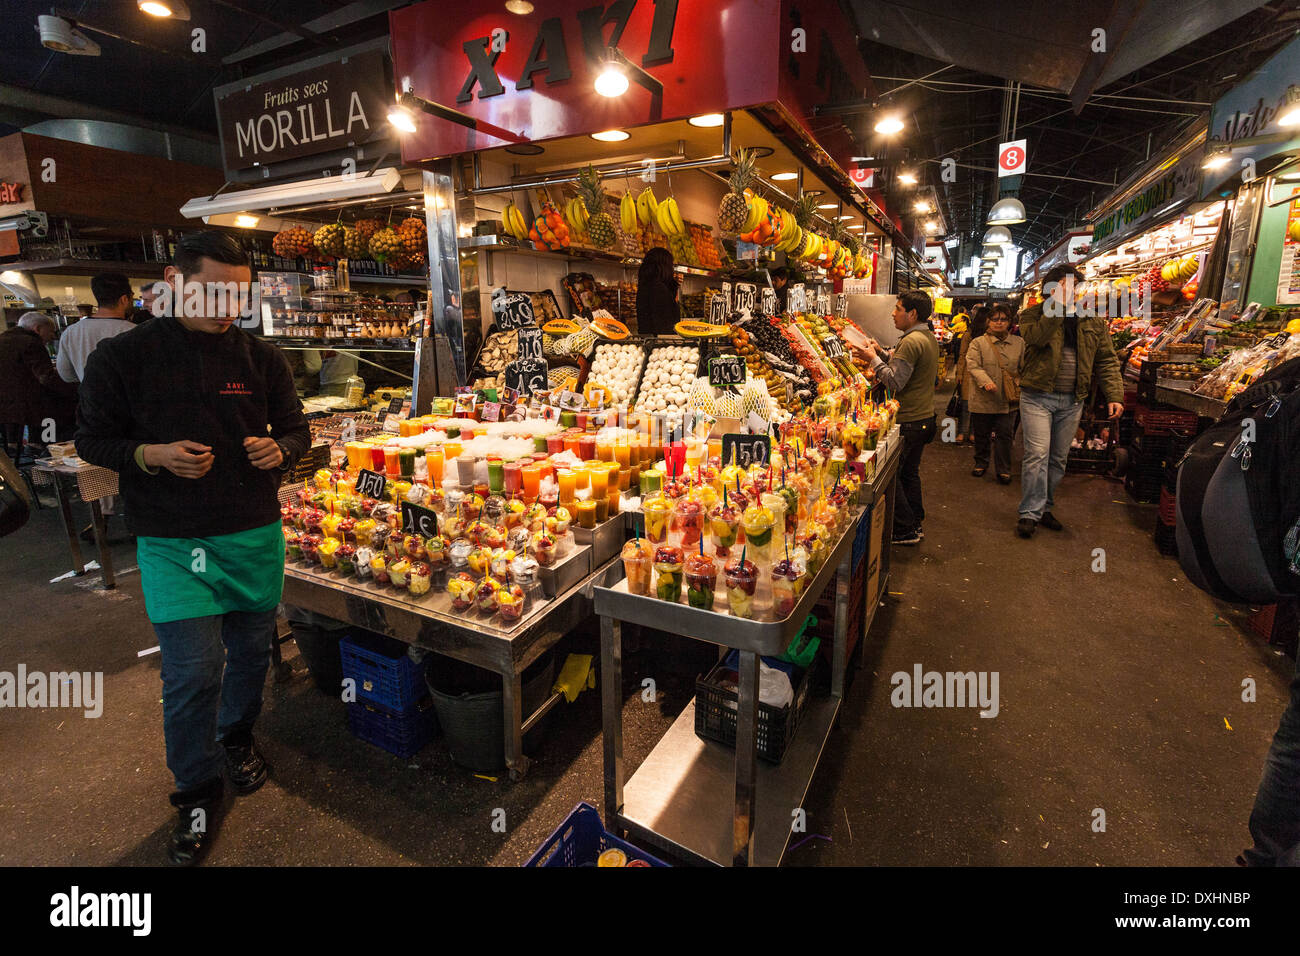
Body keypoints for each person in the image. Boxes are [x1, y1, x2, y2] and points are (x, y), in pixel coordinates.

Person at [75, 231, 310, 865]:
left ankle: (235, 735)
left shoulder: (261, 358)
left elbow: (296, 428)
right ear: (174, 279)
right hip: (173, 540)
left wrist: (281, 449)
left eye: (237, 293)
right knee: (192, 670)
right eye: (212, 290)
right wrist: (150, 455)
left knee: (251, 654)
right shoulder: (122, 359)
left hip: (253, 534)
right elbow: (93, 442)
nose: (226, 305)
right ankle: (197, 791)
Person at [1015, 264, 1123, 538]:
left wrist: (1114, 395)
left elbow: (1106, 359)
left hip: (1073, 400)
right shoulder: (1032, 314)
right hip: (1037, 397)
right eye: (1063, 286)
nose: (1070, 291)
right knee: (1036, 455)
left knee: (1058, 459)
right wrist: (1057, 307)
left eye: (1073, 286)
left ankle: (1044, 507)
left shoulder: (1092, 320)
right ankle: (1029, 512)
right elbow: (1036, 338)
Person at [848, 290, 939, 545]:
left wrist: (873, 359)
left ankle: (904, 529)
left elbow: (895, 380)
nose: (893, 313)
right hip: (923, 416)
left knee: (896, 475)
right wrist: (885, 355)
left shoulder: (911, 341)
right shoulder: (926, 336)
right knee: (910, 473)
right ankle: (915, 522)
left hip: (909, 419)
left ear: (912, 313)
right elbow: (906, 368)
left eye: (898, 308)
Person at [0, 312, 77, 455]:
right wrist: (75, 389)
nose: (52, 336)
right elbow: (46, 377)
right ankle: (45, 445)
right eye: (51, 331)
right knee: (59, 402)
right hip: (24, 407)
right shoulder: (31, 343)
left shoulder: (4, 339)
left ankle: (13, 444)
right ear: (38, 329)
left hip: (6, 408)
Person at [964, 305, 1023, 483]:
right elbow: (972, 364)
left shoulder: (1019, 343)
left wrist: (1019, 382)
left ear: (1009, 322)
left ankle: (1003, 469)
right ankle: (981, 463)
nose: (999, 323)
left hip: (1008, 399)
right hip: (983, 398)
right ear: (988, 322)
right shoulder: (978, 343)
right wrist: (985, 381)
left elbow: (1024, 367)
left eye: (1003, 319)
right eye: (995, 319)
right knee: (982, 434)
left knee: (1005, 435)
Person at [56, 273, 137, 384]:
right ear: (124, 299)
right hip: (128, 399)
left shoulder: (71, 332)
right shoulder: (135, 332)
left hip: (89, 397)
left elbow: (66, 374)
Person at [952, 306, 989, 443]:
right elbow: (962, 355)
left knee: (979, 406)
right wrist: (959, 374)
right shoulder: (969, 334)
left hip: (986, 373)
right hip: (968, 372)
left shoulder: (991, 335)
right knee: (966, 404)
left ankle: (973, 433)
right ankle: (962, 432)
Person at [636, 246, 680, 335]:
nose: (672, 269)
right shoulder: (658, 289)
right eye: (671, 265)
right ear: (664, 266)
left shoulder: (645, 286)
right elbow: (665, 323)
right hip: (660, 344)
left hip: (648, 339)